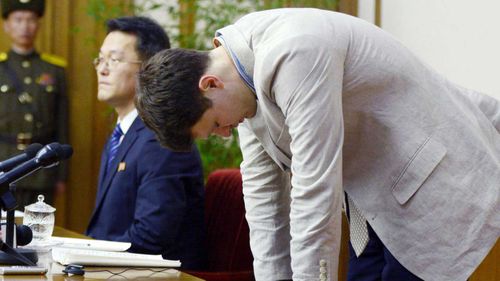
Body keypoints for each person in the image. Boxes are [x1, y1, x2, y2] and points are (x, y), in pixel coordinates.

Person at [135, 8, 500, 281]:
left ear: (210, 84)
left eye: (215, 125)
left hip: (432, 188)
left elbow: (314, 187)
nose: (225, 133)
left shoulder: (294, 50)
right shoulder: (240, 80)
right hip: (374, 202)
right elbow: (264, 202)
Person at [85, 16, 206, 270]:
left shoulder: (162, 138)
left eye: (114, 60)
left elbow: (152, 238)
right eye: (100, 58)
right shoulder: (123, 134)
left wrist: (84, 255)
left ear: (149, 68)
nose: (102, 69)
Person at [0, 0, 68, 207]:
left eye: (30, 20)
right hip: (4, 163)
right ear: (6, 25)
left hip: (42, 167)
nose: (25, 26)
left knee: (38, 231)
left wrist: (61, 174)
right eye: (18, 20)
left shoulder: (55, 70)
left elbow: (62, 124)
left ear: (38, 24)